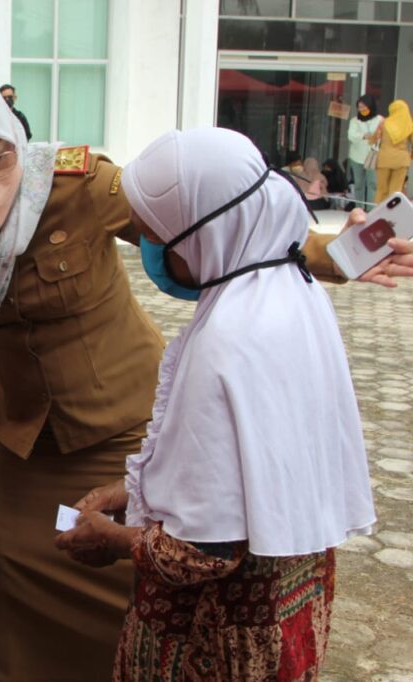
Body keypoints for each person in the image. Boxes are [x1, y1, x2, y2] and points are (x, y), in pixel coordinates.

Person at [0, 60, 372, 680]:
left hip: (128, 438)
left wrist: (346, 252)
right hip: (23, 456)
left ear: (13, 135)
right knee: (17, 601)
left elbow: (217, 222)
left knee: (139, 597)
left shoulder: (76, 183)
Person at [57, 127, 376, 680]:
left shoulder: (226, 338)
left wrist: (109, 541)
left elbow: (201, 550)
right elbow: (251, 465)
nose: (152, 250)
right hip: (291, 602)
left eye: (158, 235)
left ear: (202, 234)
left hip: (214, 639)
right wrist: (133, 489)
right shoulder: (293, 290)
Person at [372, 99, 413, 203]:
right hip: (401, 160)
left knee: (382, 189)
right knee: (396, 190)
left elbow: (374, 139)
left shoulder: (384, 123)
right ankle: (392, 214)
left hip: (384, 159)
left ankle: (379, 212)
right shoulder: (409, 125)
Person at [347, 94, 382, 206]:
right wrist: (363, 136)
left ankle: (371, 208)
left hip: (373, 156)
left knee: (373, 183)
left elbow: (383, 135)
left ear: (371, 106)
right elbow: (351, 135)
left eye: (364, 107)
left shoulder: (380, 120)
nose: (362, 109)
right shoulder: (354, 121)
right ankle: (359, 207)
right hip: (356, 157)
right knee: (358, 184)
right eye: (359, 107)